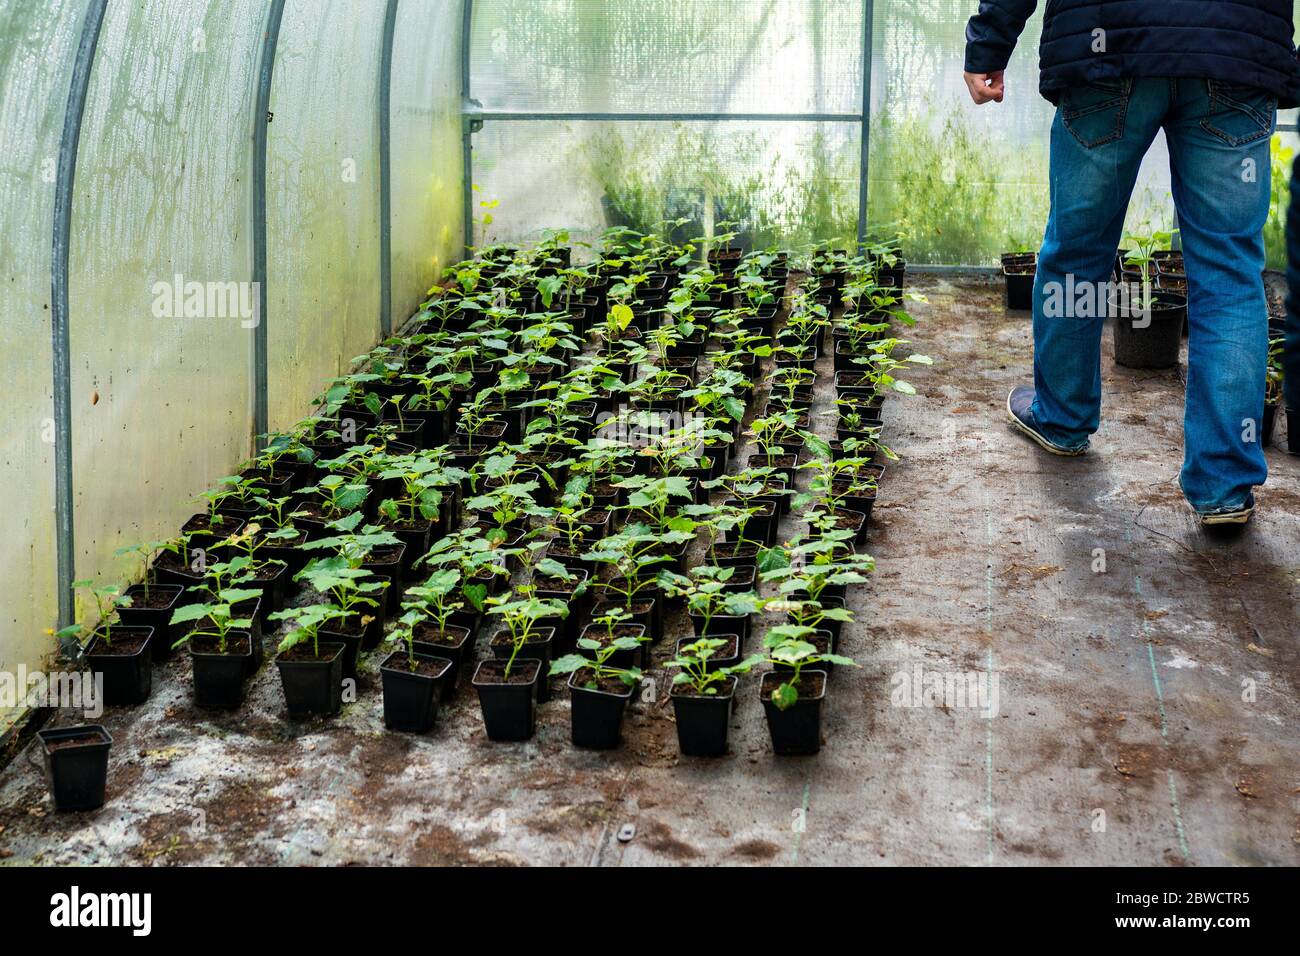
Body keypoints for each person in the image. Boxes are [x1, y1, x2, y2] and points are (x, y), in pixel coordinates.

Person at [964, 1, 1300, 526]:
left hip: (1109, 44)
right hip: (1233, 49)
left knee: (1078, 252)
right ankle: (1224, 485)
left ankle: (1062, 417)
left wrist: (989, 42)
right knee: (1229, 273)